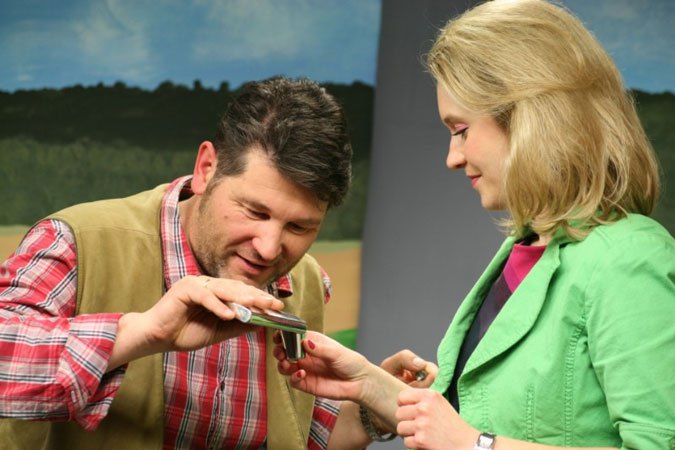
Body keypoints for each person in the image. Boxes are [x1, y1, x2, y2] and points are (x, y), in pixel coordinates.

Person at [275, 1, 675, 449]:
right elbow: (483, 420)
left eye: (461, 130)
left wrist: (476, 444)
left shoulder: (629, 260)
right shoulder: (527, 249)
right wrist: (370, 385)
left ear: (528, 118)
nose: (453, 157)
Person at [0, 76, 365, 450]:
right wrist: (143, 333)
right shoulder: (76, 242)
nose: (269, 249)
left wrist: (372, 410)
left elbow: (303, 431)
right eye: (255, 212)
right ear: (207, 168)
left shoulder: (307, 282)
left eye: (299, 227)